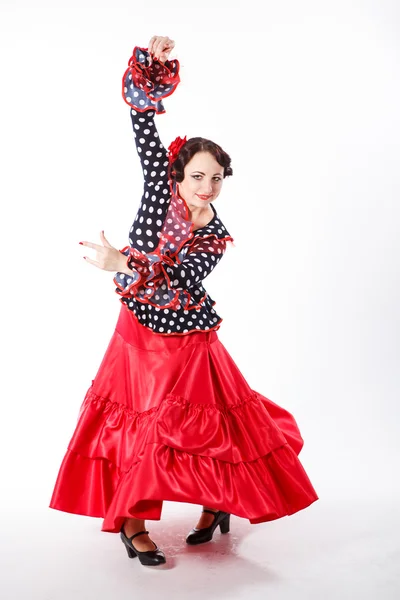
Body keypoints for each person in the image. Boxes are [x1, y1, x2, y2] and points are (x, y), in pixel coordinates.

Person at [49, 35, 319, 567]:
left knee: (205, 426)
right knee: (140, 421)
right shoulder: (158, 185)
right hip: (137, 331)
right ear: (179, 174)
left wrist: (124, 262)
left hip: (190, 338)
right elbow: (142, 120)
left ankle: (214, 507)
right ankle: (132, 522)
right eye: (198, 176)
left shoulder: (215, 234)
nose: (208, 187)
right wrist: (153, 65)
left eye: (216, 179)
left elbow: (181, 281)